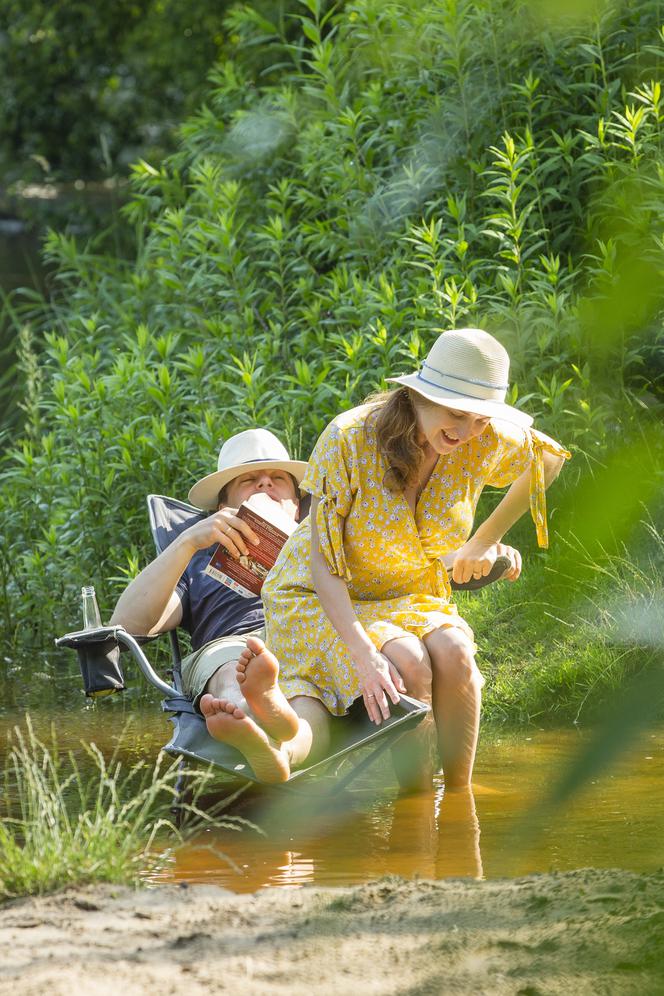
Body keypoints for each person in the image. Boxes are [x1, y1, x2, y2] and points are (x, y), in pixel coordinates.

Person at [203, 328, 570, 789]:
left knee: (455, 652)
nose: (468, 431)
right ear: (419, 395)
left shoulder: (481, 434)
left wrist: (483, 541)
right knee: (410, 661)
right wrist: (364, 655)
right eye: (457, 414)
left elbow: (548, 459)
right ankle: (416, 804)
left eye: (480, 420)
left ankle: (458, 800)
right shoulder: (349, 438)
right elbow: (324, 567)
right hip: (318, 595)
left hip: (407, 592)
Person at [109, 428, 309, 779]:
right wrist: (186, 543)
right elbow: (128, 625)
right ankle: (248, 712)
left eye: (278, 478)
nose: (265, 484)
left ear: (296, 504)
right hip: (235, 645)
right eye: (249, 480)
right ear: (223, 506)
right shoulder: (197, 558)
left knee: (315, 682)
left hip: (313, 642)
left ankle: (271, 738)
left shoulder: (324, 537)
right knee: (235, 668)